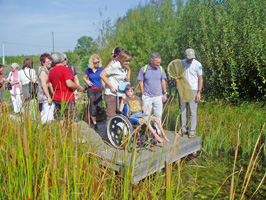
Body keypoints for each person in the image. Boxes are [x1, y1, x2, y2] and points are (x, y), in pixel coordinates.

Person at [48, 52, 84, 126]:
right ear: (62, 60)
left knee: (60, 119)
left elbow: (50, 85)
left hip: (56, 98)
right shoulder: (66, 69)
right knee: (73, 119)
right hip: (67, 98)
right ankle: (74, 136)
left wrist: (54, 94)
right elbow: (69, 83)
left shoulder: (51, 71)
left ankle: (62, 136)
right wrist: (78, 87)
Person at [137, 52, 168, 134]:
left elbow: (163, 81)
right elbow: (141, 82)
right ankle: (147, 132)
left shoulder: (161, 69)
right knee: (146, 116)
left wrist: (165, 93)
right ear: (151, 60)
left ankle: (158, 132)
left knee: (158, 116)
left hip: (158, 96)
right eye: (157, 62)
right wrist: (143, 93)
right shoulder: (144, 69)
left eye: (159, 62)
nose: (159, 64)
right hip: (147, 97)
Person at [100, 50, 132, 127]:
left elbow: (127, 74)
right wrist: (110, 86)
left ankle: (118, 134)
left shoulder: (124, 67)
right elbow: (102, 75)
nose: (127, 63)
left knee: (121, 114)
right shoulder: (115, 66)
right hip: (111, 94)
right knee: (111, 115)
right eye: (126, 61)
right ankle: (108, 137)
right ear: (121, 59)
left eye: (128, 61)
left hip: (120, 93)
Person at [177, 48, 203, 138]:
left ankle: (192, 131)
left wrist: (199, 92)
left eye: (192, 57)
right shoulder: (181, 63)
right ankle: (183, 128)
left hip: (193, 90)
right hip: (183, 90)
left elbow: (200, 78)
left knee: (192, 111)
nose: (191, 59)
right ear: (185, 56)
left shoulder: (197, 64)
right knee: (182, 110)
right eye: (189, 57)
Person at [83, 54, 104, 131]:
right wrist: (87, 81)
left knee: (99, 106)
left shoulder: (101, 69)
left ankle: (96, 115)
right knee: (93, 106)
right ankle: (95, 123)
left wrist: (104, 86)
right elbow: (84, 77)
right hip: (91, 89)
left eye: (98, 62)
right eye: (95, 62)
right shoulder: (88, 69)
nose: (97, 64)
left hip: (98, 89)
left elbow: (103, 78)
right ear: (92, 63)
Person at [37, 53, 54, 124]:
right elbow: (44, 85)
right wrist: (49, 97)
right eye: (48, 61)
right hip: (44, 96)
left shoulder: (46, 70)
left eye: (50, 61)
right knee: (47, 113)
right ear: (43, 62)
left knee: (45, 112)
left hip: (45, 95)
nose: (50, 63)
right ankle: (44, 127)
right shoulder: (43, 71)